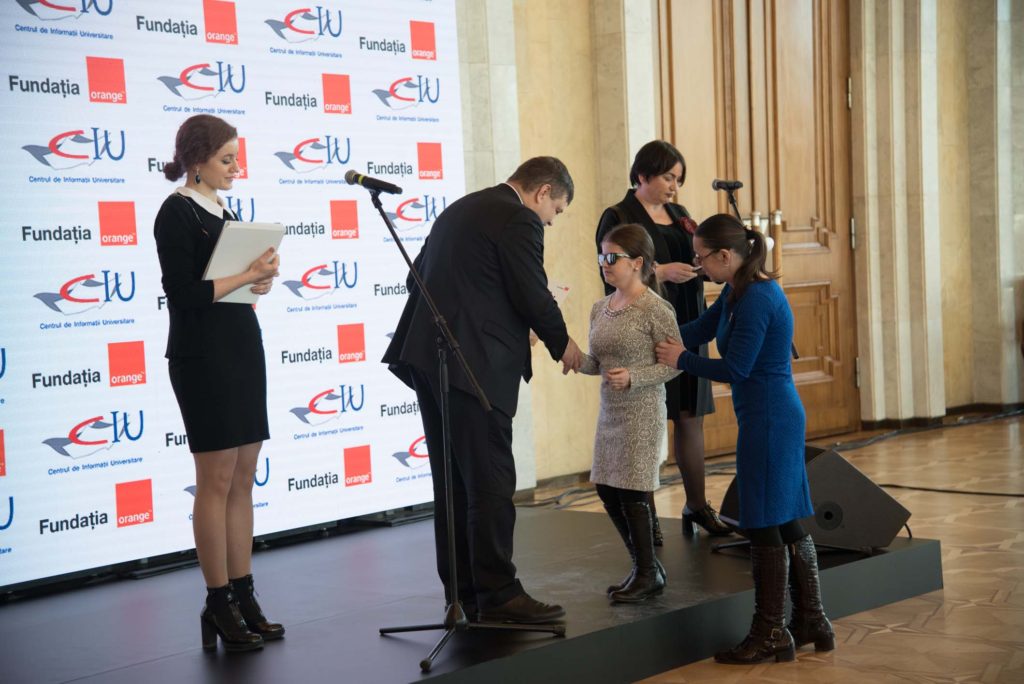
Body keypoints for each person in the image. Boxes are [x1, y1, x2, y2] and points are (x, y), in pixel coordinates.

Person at [383, 157, 583, 624]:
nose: (551, 221)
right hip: (475, 368)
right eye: (556, 210)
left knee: (453, 482)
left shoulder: (460, 208)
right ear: (542, 192)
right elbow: (531, 292)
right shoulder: (518, 218)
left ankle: (463, 594)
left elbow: (416, 280)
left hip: (429, 361)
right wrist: (563, 343)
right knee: (490, 480)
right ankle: (499, 594)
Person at [655, 214, 834, 664]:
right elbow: (700, 329)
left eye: (702, 258)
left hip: (772, 418)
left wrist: (680, 360)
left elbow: (736, 369)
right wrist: (656, 335)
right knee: (783, 518)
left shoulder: (758, 298)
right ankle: (811, 619)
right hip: (766, 416)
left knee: (763, 522)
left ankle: (770, 631)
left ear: (725, 255)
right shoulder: (735, 290)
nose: (698, 266)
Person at [154, 115, 283, 652]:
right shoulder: (176, 212)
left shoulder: (224, 211)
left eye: (236, 158)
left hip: (241, 345)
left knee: (244, 475)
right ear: (197, 160)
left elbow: (230, 289)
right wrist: (246, 275)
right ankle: (218, 600)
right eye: (227, 159)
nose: (236, 168)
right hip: (202, 355)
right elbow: (184, 294)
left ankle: (244, 594)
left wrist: (259, 282)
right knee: (216, 478)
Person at [595, 140, 731, 542]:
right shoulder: (619, 215)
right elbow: (609, 271)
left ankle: (697, 505)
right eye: (668, 177)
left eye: (678, 179)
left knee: (690, 415)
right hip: (641, 323)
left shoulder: (680, 215)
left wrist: (698, 268)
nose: (674, 186)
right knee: (644, 423)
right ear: (643, 175)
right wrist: (660, 273)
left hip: (686, 321)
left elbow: (698, 255)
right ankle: (646, 517)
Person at [580, 224, 681, 602]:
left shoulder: (656, 308)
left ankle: (647, 572)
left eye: (612, 257)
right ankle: (645, 567)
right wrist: (572, 356)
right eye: (601, 256)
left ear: (638, 263)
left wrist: (635, 378)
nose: (604, 264)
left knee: (633, 490)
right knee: (606, 488)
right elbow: (597, 364)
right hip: (610, 413)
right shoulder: (600, 308)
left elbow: (675, 364)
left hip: (642, 410)